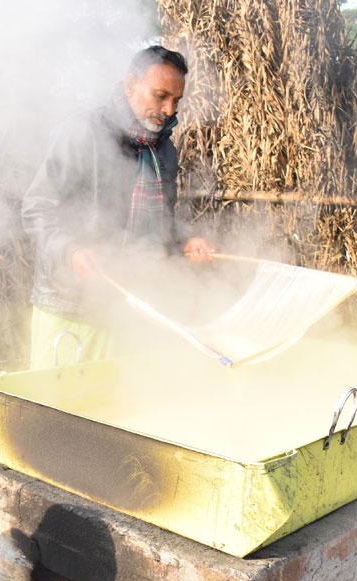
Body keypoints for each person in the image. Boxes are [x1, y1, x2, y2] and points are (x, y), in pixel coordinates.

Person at [22, 45, 216, 369]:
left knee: (113, 412)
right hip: (71, 308)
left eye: (176, 100)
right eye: (160, 96)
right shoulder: (84, 132)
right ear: (130, 85)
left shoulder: (164, 150)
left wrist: (186, 241)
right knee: (58, 411)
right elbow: (37, 206)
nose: (169, 109)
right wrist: (71, 251)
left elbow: (159, 222)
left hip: (131, 308)